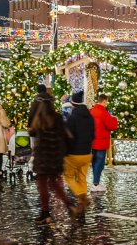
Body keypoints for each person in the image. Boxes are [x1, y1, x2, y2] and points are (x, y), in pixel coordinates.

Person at [29, 93, 73, 224]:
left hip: (43, 158)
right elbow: (65, 134)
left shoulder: (39, 119)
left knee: (42, 184)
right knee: (54, 183)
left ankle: (45, 212)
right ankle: (69, 205)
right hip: (55, 157)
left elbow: (32, 132)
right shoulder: (58, 117)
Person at [63, 91, 94, 218]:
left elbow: (68, 136)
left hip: (74, 154)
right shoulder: (90, 117)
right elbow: (93, 135)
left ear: (73, 104)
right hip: (87, 153)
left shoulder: (72, 118)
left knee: (68, 177)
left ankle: (82, 197)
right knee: (82, 178)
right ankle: (81, 203)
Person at [89, 93, 118, 191]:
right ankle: (96, 183)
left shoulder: (91, 111)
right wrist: (114, 119)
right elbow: (112, 126)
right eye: (106, 102)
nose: (106, 104)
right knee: (100, 163)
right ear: (104, 101)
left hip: (93, 141)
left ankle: (95, 182)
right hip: (101, 142)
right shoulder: (104, 113)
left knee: (94, 162)